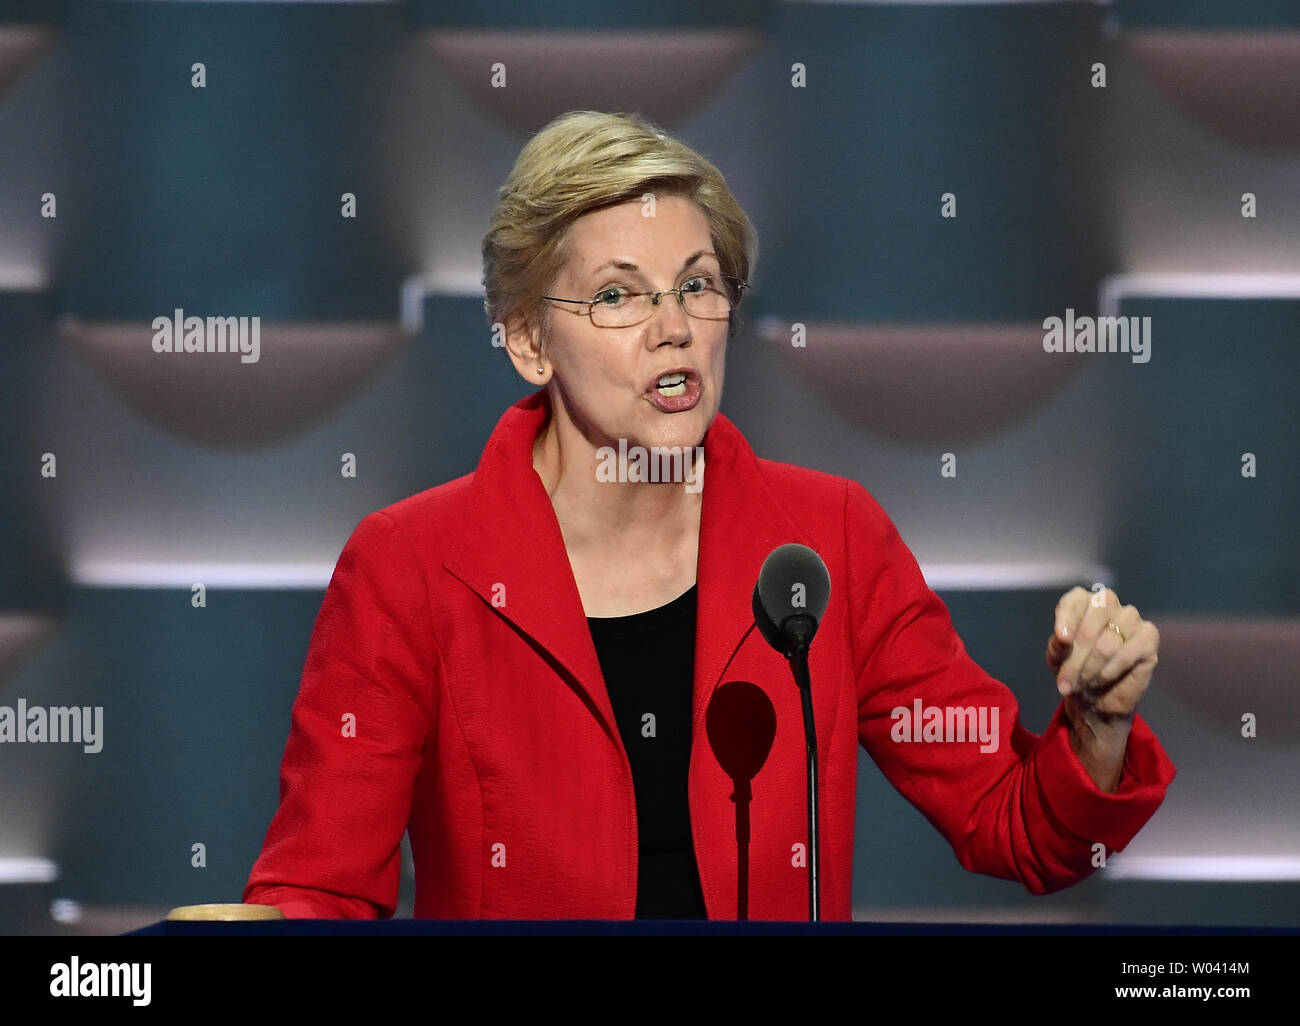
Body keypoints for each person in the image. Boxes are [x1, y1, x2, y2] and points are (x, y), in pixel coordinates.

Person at [242, 110, 1175, 921]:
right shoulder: (412, 565)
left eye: (696, 284)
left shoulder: (828, 541)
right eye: (617, 296)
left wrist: (1095, 727)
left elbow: (1020, 829)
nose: (674, 326)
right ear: (529, 341)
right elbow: (319, 885)